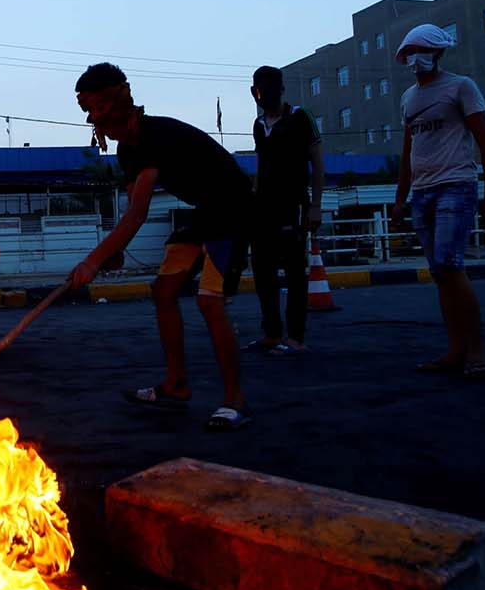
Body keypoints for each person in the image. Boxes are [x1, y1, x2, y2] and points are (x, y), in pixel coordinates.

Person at [67, 63, 254, 430]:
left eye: (93, 107)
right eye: (85, 110)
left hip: (233, 207)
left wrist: (92, 261)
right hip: (205, 211)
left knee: (209, 300)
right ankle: (176, 384)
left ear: (114, 101)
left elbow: (137, 214)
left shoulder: (154, 136)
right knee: (164, 290)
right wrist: (114, 252)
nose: (91, 117)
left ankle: (236, 401)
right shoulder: (127, 152)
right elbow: (131, 203)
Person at [391, 24, 485, 380]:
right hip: (422, 192)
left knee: (451, 267)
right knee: (441, 273)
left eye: (423, 49)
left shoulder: (461, 87)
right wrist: (399, 199)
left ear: (438, 52)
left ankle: (477, 352)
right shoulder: (408, 98)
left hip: (456, 185)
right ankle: (456, 351)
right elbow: (407, 151)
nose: (416, 57)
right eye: (411, 51)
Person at [246, 65, 323, 355]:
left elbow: (318, 164)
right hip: (263, 207)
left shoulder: (301, 117)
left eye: (264, 89)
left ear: (278, 89)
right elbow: (260, 165)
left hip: (293, 205)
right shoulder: (258, 125)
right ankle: (272, 333)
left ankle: (296, 338)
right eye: (256, 90)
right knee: (263, 270)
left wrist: (315, 206)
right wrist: (253, 199)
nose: (260, 95)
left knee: (293, 271)